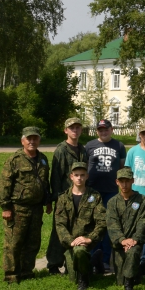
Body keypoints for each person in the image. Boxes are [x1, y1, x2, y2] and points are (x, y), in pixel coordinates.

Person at [0, 127, 52, 283]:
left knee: (33, 242)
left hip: (36, 208)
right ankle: (11, 275)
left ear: (39, 140)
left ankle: (27, 271)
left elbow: (45, 183)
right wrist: (6, 207)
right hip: (17, 208)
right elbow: (4, 185)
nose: (32, 141)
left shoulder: (42, 159)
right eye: (29, 139)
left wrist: (47, 201)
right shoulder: (14, 160)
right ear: (22, 141)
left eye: (35, 138)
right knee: (14, 242)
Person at [53, 161, 105, 290]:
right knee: (72, 277)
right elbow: (59, 224)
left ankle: (84, 279)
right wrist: (71, 241)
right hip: (70, 241)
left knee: (80, 252)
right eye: (76, 175)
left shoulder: (95, 196)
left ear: (87, 176)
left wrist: (89, 238)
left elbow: (102, 222)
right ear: (71, 177)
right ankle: (93, 261)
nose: (79, 178)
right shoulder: (63, 198)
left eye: (82, 175)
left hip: (87, 239)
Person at [46, 117, 89, 275]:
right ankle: (53, 263)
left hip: (80, 195)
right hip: (64, 197)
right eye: (72, 128)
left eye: (78, 127)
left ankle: (71, 261)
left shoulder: (83, 150)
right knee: (59, 230)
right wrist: (57, 198)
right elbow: (55, 176)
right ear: (66, 130)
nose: (75, 130)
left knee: (77, 228)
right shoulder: (61, 150)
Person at [86, 118, 128, 276]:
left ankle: (105, 259)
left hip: (111, 190)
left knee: (109, 225)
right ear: (97, 131)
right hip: (93, 191)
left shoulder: (119, 146)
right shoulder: (90, 145)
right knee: (94, 224)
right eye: (100, 130)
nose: (103, 132)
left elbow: (122, 167)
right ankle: (93, 257)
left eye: (106, 129)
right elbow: (84, 166)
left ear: (111, 130)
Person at [105, 167, 145, 290]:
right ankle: (136, 273)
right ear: (117, 182)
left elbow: (143, 221)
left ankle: (129, 285)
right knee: (119, 280)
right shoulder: (112, 202)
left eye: (127, 181)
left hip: (135, 242)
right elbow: (112, 224)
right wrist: (122, 240)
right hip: (119, 244)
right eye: (121, 181)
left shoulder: (142, 200)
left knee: (132, 253)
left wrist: (134, 239)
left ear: (133, 181)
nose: (124, 185)